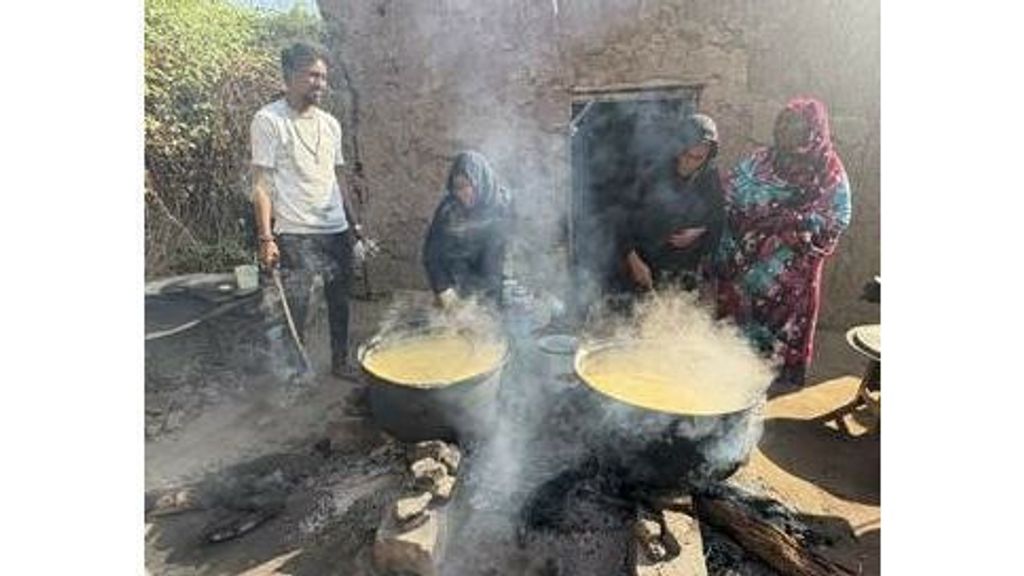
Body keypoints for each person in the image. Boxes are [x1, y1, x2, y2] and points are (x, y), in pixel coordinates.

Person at [714, 97, 852, 388]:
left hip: (790, 275)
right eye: (784, 123)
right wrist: (734, 231)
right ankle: (729, 379)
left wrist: (789, 227)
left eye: (797, 125)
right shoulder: (761, 159)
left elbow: (837, 216)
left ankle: (770, 389)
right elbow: (731, 188)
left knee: (776, 341)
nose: (788, 130)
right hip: (743, 262)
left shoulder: (828, 171)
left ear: (814, 130)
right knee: (735, 335)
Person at [250, 42, 365, 379]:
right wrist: (266, 237)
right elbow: (261, 183)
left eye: (324, 77)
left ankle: (340, 363)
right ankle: (297, 370)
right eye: (312, 75)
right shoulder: (269, 120)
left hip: (335, 227)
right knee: (297, 306)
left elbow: (338, 177)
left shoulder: (330, 124)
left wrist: (354, 224)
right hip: (295, 230)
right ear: (290, 76)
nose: (320, 83)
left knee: (340, 301)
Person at [619, 113, 725, 295]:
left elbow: (717, 217)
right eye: (686, 154)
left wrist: (700, 231)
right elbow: (619, 218)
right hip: (642, 265)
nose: (689, 162)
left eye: (698, 158)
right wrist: (634, 261)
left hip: (683, 272)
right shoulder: (651, 170)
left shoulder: (708, 177)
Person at [422, 151, 512, 308]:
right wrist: (444, 289)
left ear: (479, 183)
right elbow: (432, 255)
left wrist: (483, 302)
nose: (461, 194)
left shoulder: (499, 207)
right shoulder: (449, 209)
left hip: (492, 281)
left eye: (466, 187)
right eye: (456, 188)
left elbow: (495, 262)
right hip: (456, 281)